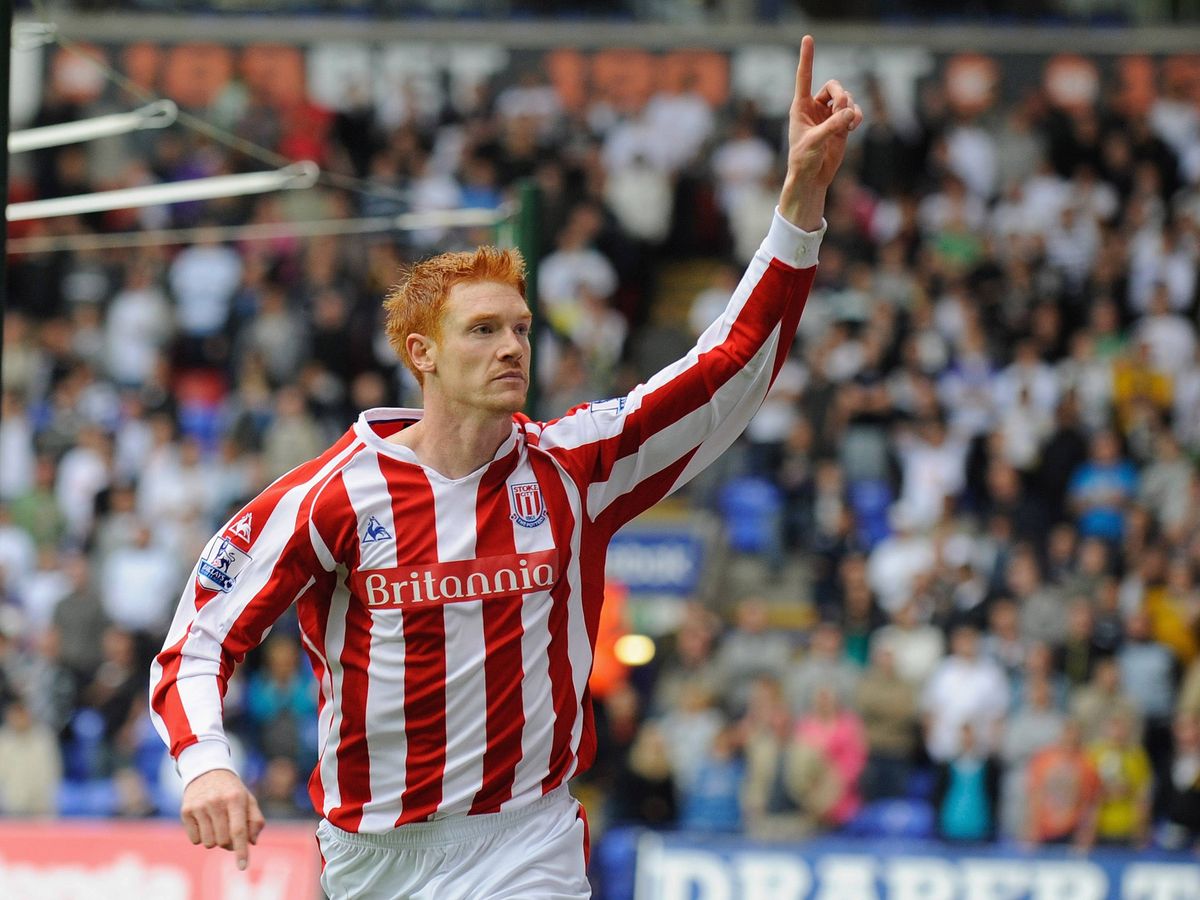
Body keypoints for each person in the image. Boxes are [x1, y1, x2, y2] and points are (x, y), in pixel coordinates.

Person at [148, 35, 862, 898]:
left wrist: (801, 200)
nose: (511, 346)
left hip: (529, 842)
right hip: (377, 857)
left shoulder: (573, 469)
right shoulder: (330, 495)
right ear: (423, 354)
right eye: (482, 331)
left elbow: (730, 368)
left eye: (520, 327)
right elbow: (198, 638)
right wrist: (206, 766)